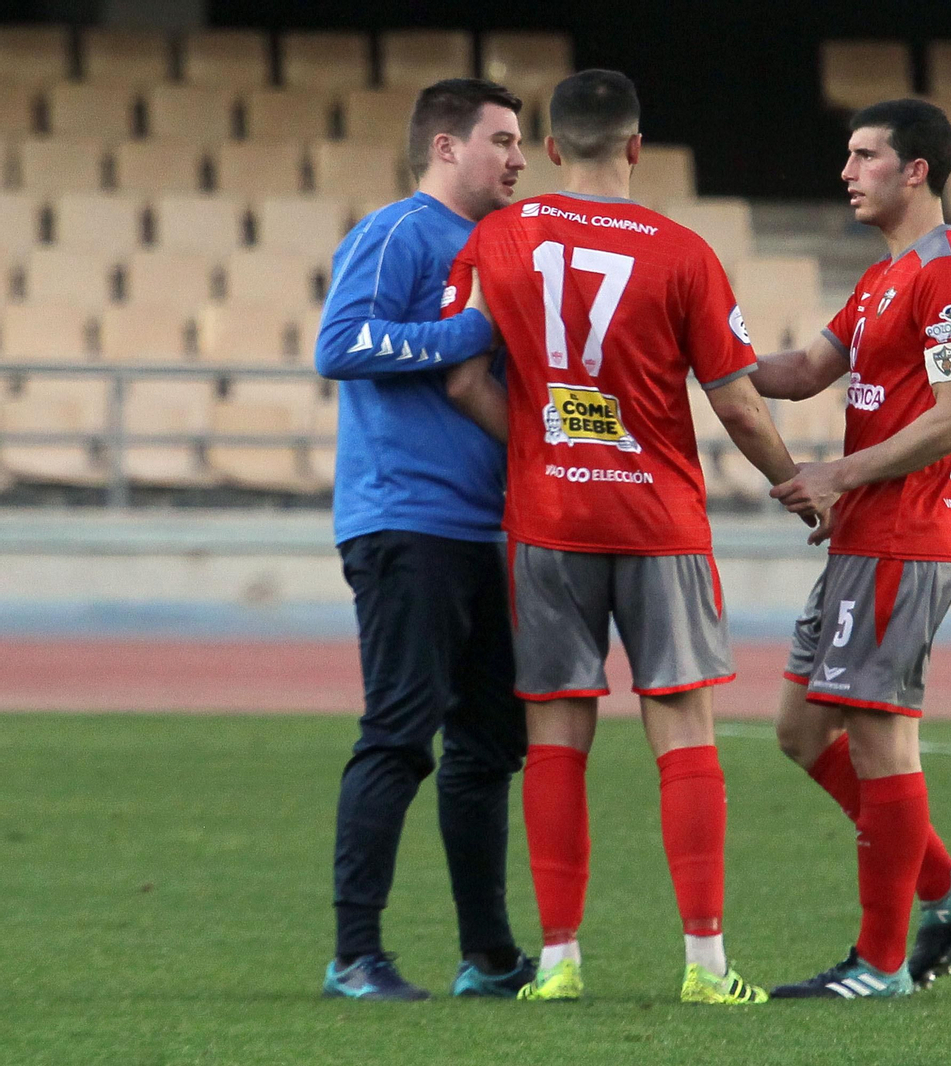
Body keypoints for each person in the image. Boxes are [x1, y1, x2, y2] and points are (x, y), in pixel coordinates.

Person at [443, 68, 810, 1006]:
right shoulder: (683, 252)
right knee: (682, 730)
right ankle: (705, 967)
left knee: (556, 734)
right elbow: (734, 401)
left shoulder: (500, 236)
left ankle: (559, 964)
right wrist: (798, 486)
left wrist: (539, 444)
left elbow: (460, 379)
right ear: (637, 147)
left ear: (554, 148)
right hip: (659, 524)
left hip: (549, 520)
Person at [746, 99, 951, 1000]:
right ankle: (946, 889)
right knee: (801, 729)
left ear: (917, 169)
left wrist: (839, 474)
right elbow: (806, 371)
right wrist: (701, 346)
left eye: (865, 156)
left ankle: (882, 963)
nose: (847, 172)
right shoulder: (883, 278)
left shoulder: (948, 275)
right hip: (865, 536)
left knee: (884, 739)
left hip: (905, 533)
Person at [312, 78, 534, 1001]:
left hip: (480, 528)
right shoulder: (401, 232)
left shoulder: (494, 249)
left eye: (523, 143)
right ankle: (356, 955)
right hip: (404, 518)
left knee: (489, 744)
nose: (519, 157)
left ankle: (486, 957)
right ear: (446, 147)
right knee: (402, 730)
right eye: (504, 140)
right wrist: (472, 328)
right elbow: (342, 344)